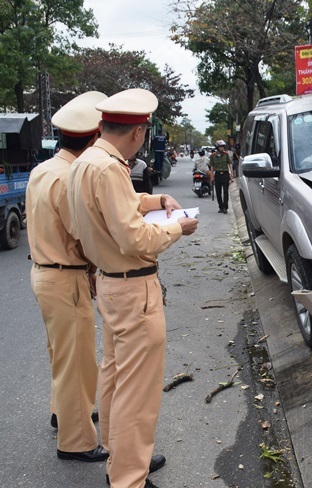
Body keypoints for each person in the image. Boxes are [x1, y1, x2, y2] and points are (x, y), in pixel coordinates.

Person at [68, 88, 199, 488]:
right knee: (136, 392)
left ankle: (119, 456)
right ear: (139, 132)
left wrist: (151, 200)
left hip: (110, 283)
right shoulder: (109, 168)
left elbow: (109, 212)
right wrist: (178, 227)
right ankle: (128, 477)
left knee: (115, 377)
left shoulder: (87, 161)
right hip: (132, 287)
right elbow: (135, 240)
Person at [26, 91, 109, 464]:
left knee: (61, 353)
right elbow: (83, 235)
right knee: (75, 359)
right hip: (66, 275)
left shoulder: (43, 170)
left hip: (44, 272)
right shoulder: (70, 177)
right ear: (92, 139)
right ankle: (76, 441)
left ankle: (65, 411)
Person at [210, 139, 233, 213]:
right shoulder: (213, 156)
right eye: (220, 147)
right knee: (218, 192)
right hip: (217, 175)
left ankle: (225, 207)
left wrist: (231, 172)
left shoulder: (226, 155)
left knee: (226, 191)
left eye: (222, 147)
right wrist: (211, 176)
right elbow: (212, 166)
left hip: (225, 174)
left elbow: (229, 163)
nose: (222, 148)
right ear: (217, 147)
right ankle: (221, 206)